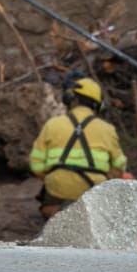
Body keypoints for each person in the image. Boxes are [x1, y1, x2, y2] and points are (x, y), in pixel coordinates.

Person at [30, 76, 129, 219]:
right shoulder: (107, 129)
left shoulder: (53, 124)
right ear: (97, 106)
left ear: (72, 99)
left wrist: (52, 177)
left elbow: (36, 164)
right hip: (93, 188)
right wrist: (106, 179)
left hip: (58, 186)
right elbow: (120, 165)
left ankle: (52, 213)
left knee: (49, 203)